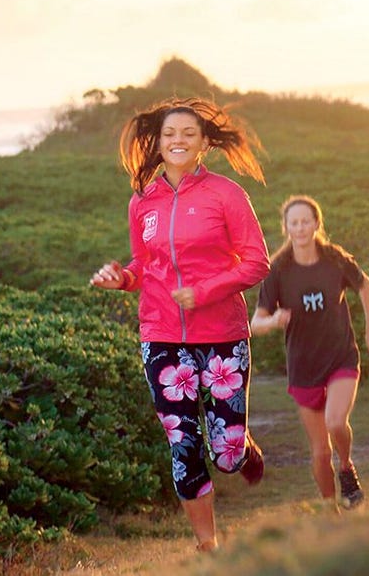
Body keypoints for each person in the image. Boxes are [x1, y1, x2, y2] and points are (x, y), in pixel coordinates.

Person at [91, 97, 269, 553]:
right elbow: (142, 264)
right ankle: (209, 548)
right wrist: (122, 279)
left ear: (204, 143)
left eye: (188, 134)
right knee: (184, 447)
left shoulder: (227, 195)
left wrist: (205, 291)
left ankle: (242, 449)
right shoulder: (142, 201)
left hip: (223, 336)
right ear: (159, 141)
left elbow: (256, 263)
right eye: (170, 134)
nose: (178, 141)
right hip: (161, 336)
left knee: (225, 455)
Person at [251, 195, 369, 510]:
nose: (299, 228)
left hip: (340, 356)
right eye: (293, 223)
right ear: (286, 228)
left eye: (305, 221)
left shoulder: (335, 259)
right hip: (303, 366)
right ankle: (330, 512)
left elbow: (364, 285)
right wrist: (273, 320)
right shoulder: (278, 271)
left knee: (336, 421)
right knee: (319, 452)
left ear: (316, 224)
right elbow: (256, 322)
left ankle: (347, 466)